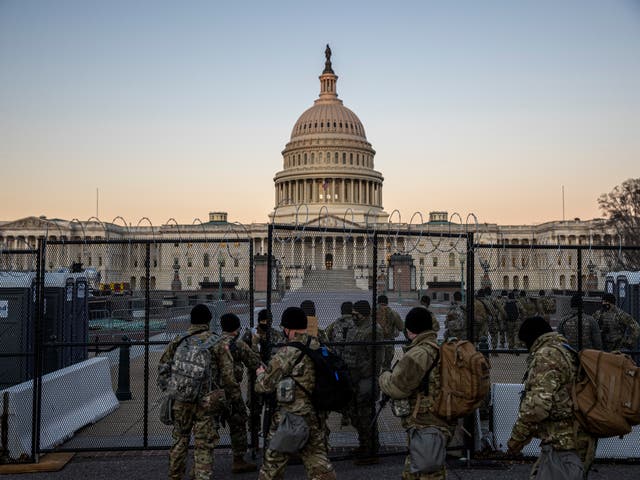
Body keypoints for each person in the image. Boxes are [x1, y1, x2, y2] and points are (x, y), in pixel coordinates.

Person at [507, 316, 597, 478]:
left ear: (532, 339)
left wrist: (516, 439)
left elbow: (536, 407)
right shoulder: (565, 349)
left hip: (564, 445)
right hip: (574, 439)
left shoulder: (547, 355)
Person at [157, 304, 239, 480]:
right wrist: (233, 398)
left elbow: (163, 369)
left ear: (191, 320)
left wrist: (172, 390)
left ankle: (175, 475)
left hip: (180, 399)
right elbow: (228, 376)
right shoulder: (217, 342)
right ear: (209, 320)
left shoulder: (178, 340)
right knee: (204, 445)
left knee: (180, 440)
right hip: (206, 402)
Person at [255, 307, 336, 480]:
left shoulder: (286, 353)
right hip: (315, 417)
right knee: (319, 466)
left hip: (290, 420)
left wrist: (260, 373)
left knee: (272, 467)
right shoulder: (320, 347)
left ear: (287, 329)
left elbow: (264, 386)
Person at [379, 307, 453, 479]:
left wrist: (384, 376)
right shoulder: (439, 347)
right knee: (419, 467)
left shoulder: (419, 353)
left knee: (429, 472)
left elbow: (397, 388)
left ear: (410, 330)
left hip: (425, 421)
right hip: (439, 416)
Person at [217, 313, 260, 473]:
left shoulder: (214, 342)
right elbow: (254, 362)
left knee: (208, 426)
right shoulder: (238, 344)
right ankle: (238, 459)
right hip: (231, 392)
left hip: (212, 392)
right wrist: (254, 345)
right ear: (237, 328)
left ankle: (200, 464)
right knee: (238, 424)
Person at [343, 300, 384, 464]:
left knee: (366, 415)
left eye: (356, 314)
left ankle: (371, 450)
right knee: (355, 414)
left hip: (364, 379)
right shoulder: (356, 327)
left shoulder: (373, 330)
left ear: (365, 314)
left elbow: (375, 358)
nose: (353, 317)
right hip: (353, 377)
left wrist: (362, 374)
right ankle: (364, 445)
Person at [376, 294, 404, 370]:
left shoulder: (372, 312)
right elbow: (401, 327)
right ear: (387, 302)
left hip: (375, 343)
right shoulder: (393, 312)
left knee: (375, 366)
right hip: (389, 343)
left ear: (378, 302)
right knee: (386, 367)